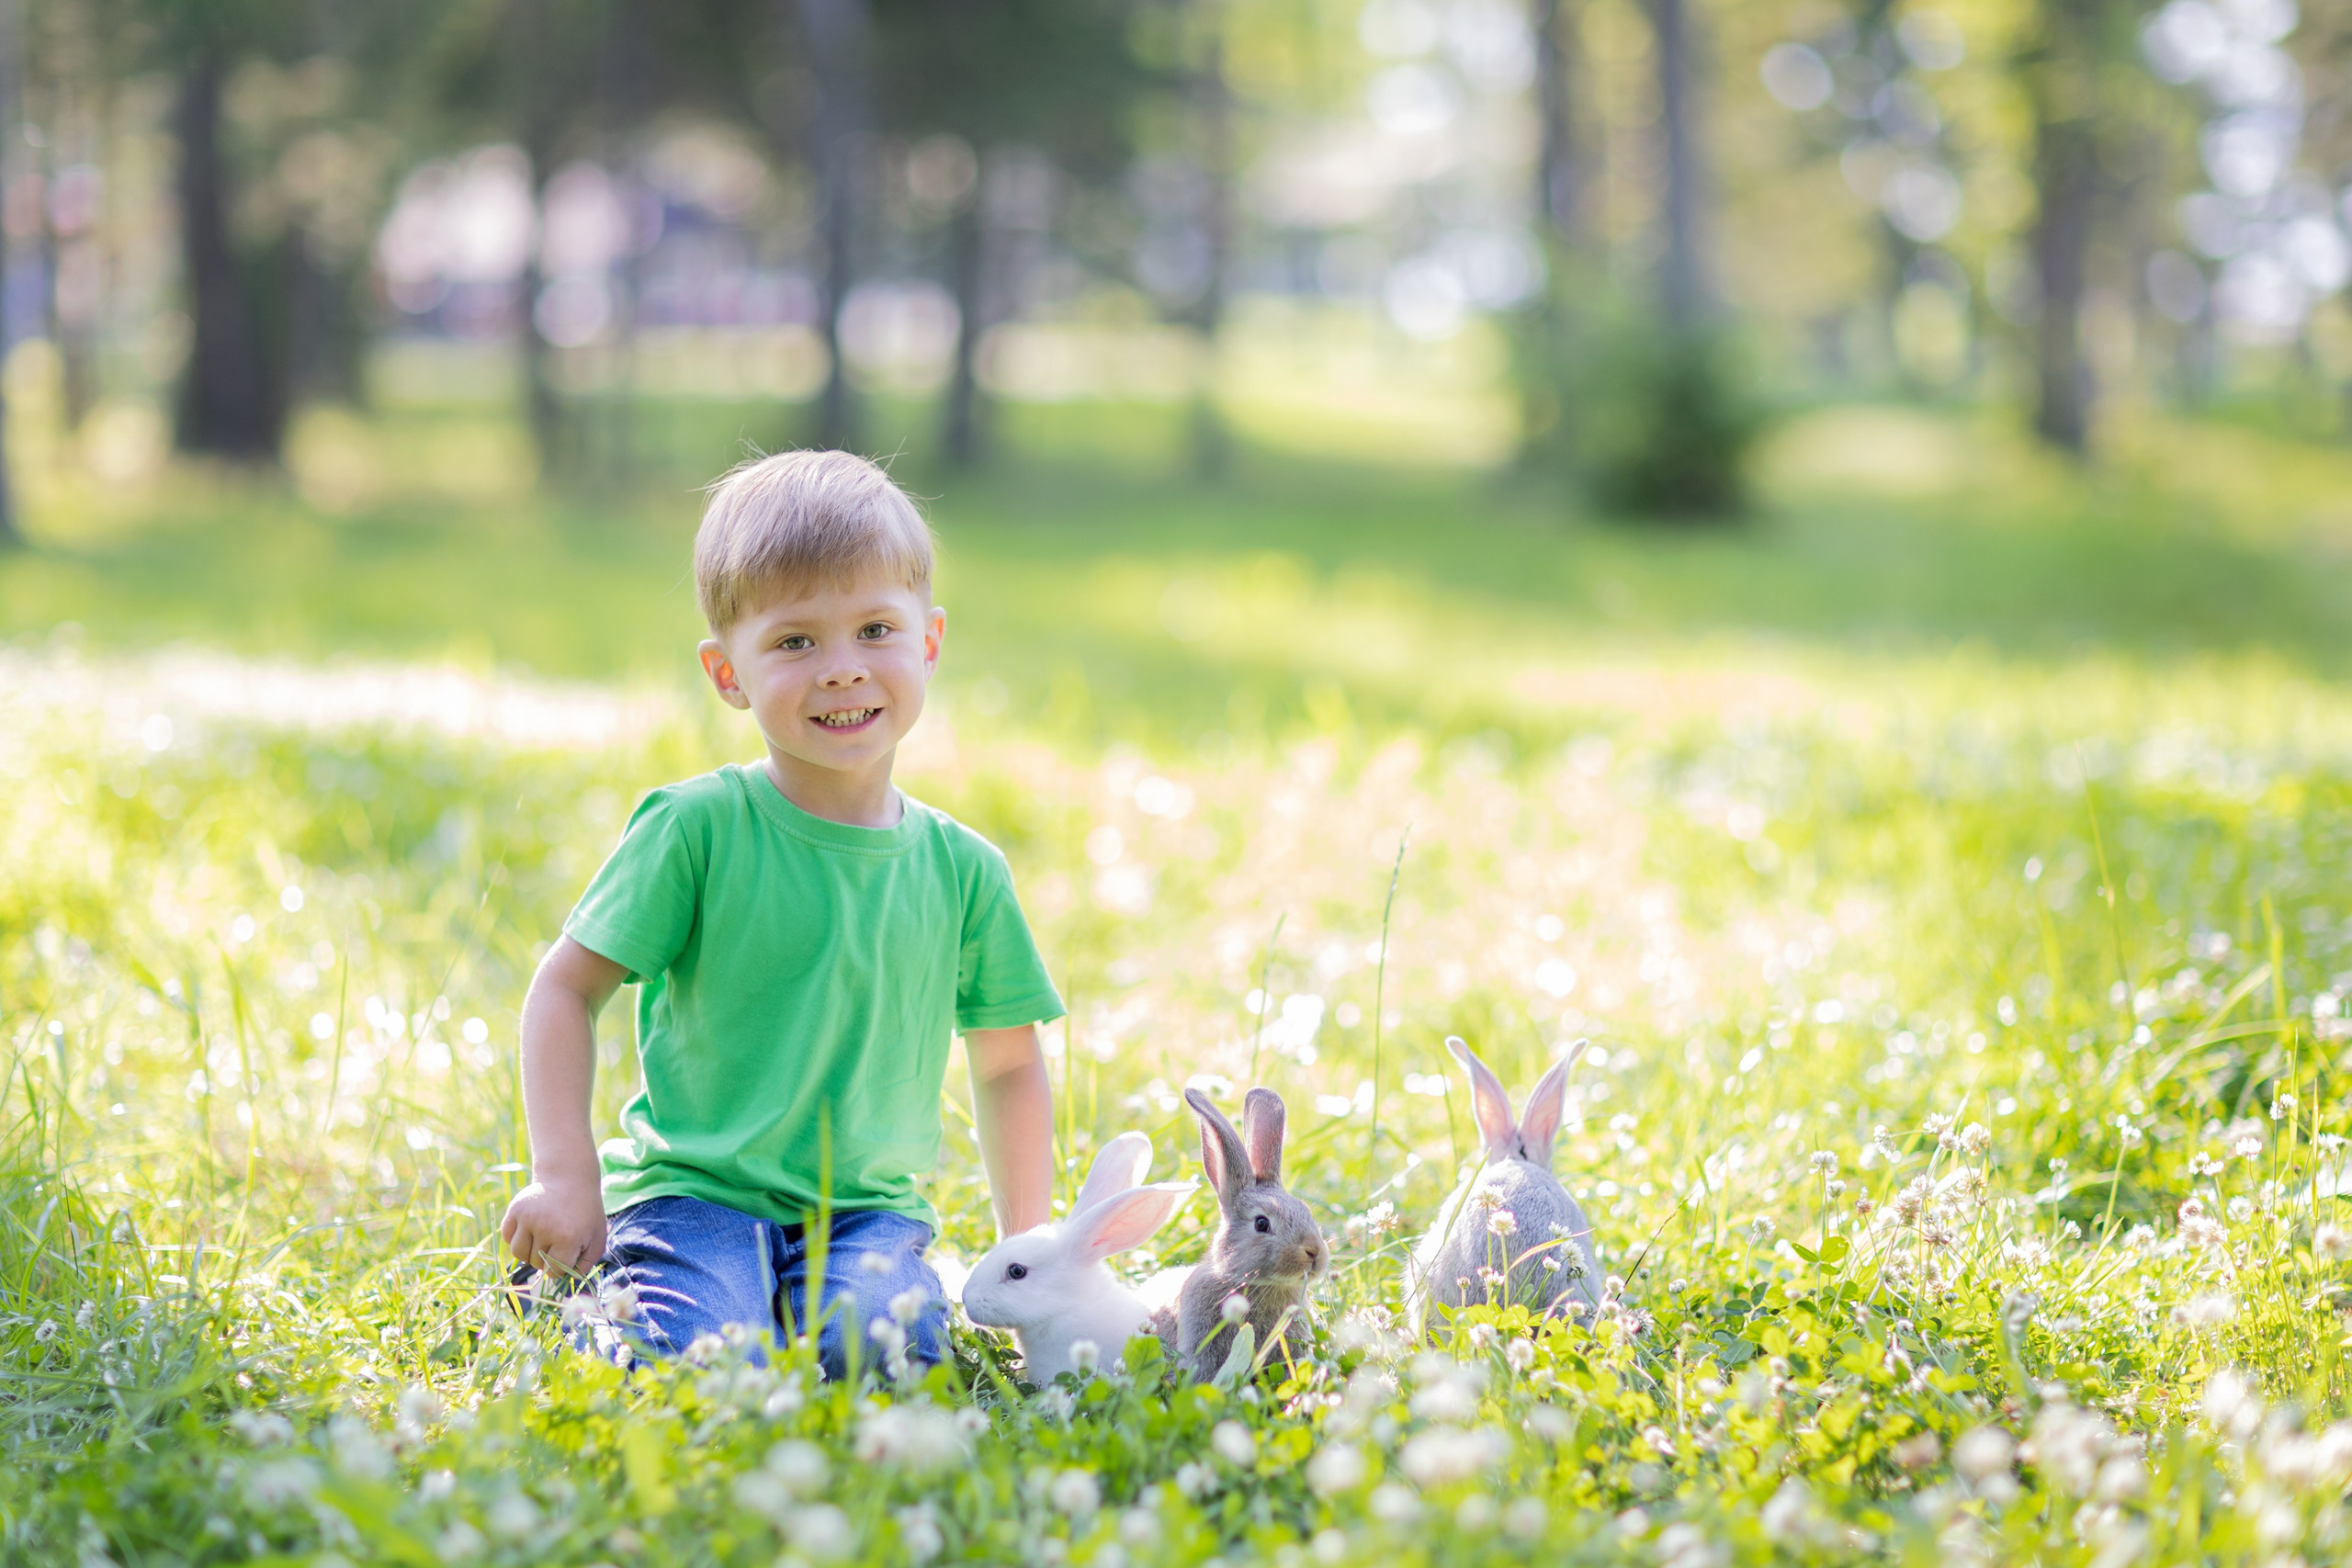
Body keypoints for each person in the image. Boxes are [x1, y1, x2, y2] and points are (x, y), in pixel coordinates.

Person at [498, 449, 1062, 1379]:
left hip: (866, 1215)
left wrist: (1028, 1254)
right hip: (694, 1196)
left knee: (880, 1353)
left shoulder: (963, 870)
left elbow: (1006, 1062)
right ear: (728, 674)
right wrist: (568, 1178)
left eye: (875, 628)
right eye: (796, 642)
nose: (842, 671)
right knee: (695, 1365)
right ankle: (586, 1292)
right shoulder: (696, 829)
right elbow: (565, 989)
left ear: (928, 641)